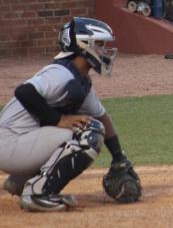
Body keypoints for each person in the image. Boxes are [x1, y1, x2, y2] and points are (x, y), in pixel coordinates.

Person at [0, 17, 141, 212]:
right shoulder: (60, 73)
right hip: (10, 145)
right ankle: (37, 194)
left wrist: (119, 157)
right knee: (89, 132)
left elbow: (102, 116)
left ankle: (22, 181)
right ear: (83, 46)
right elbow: (24, 92)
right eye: (99, 44)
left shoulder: (79, 80)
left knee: (92, 125)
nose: (104, 50)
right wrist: (58, 120)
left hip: (19, 145)